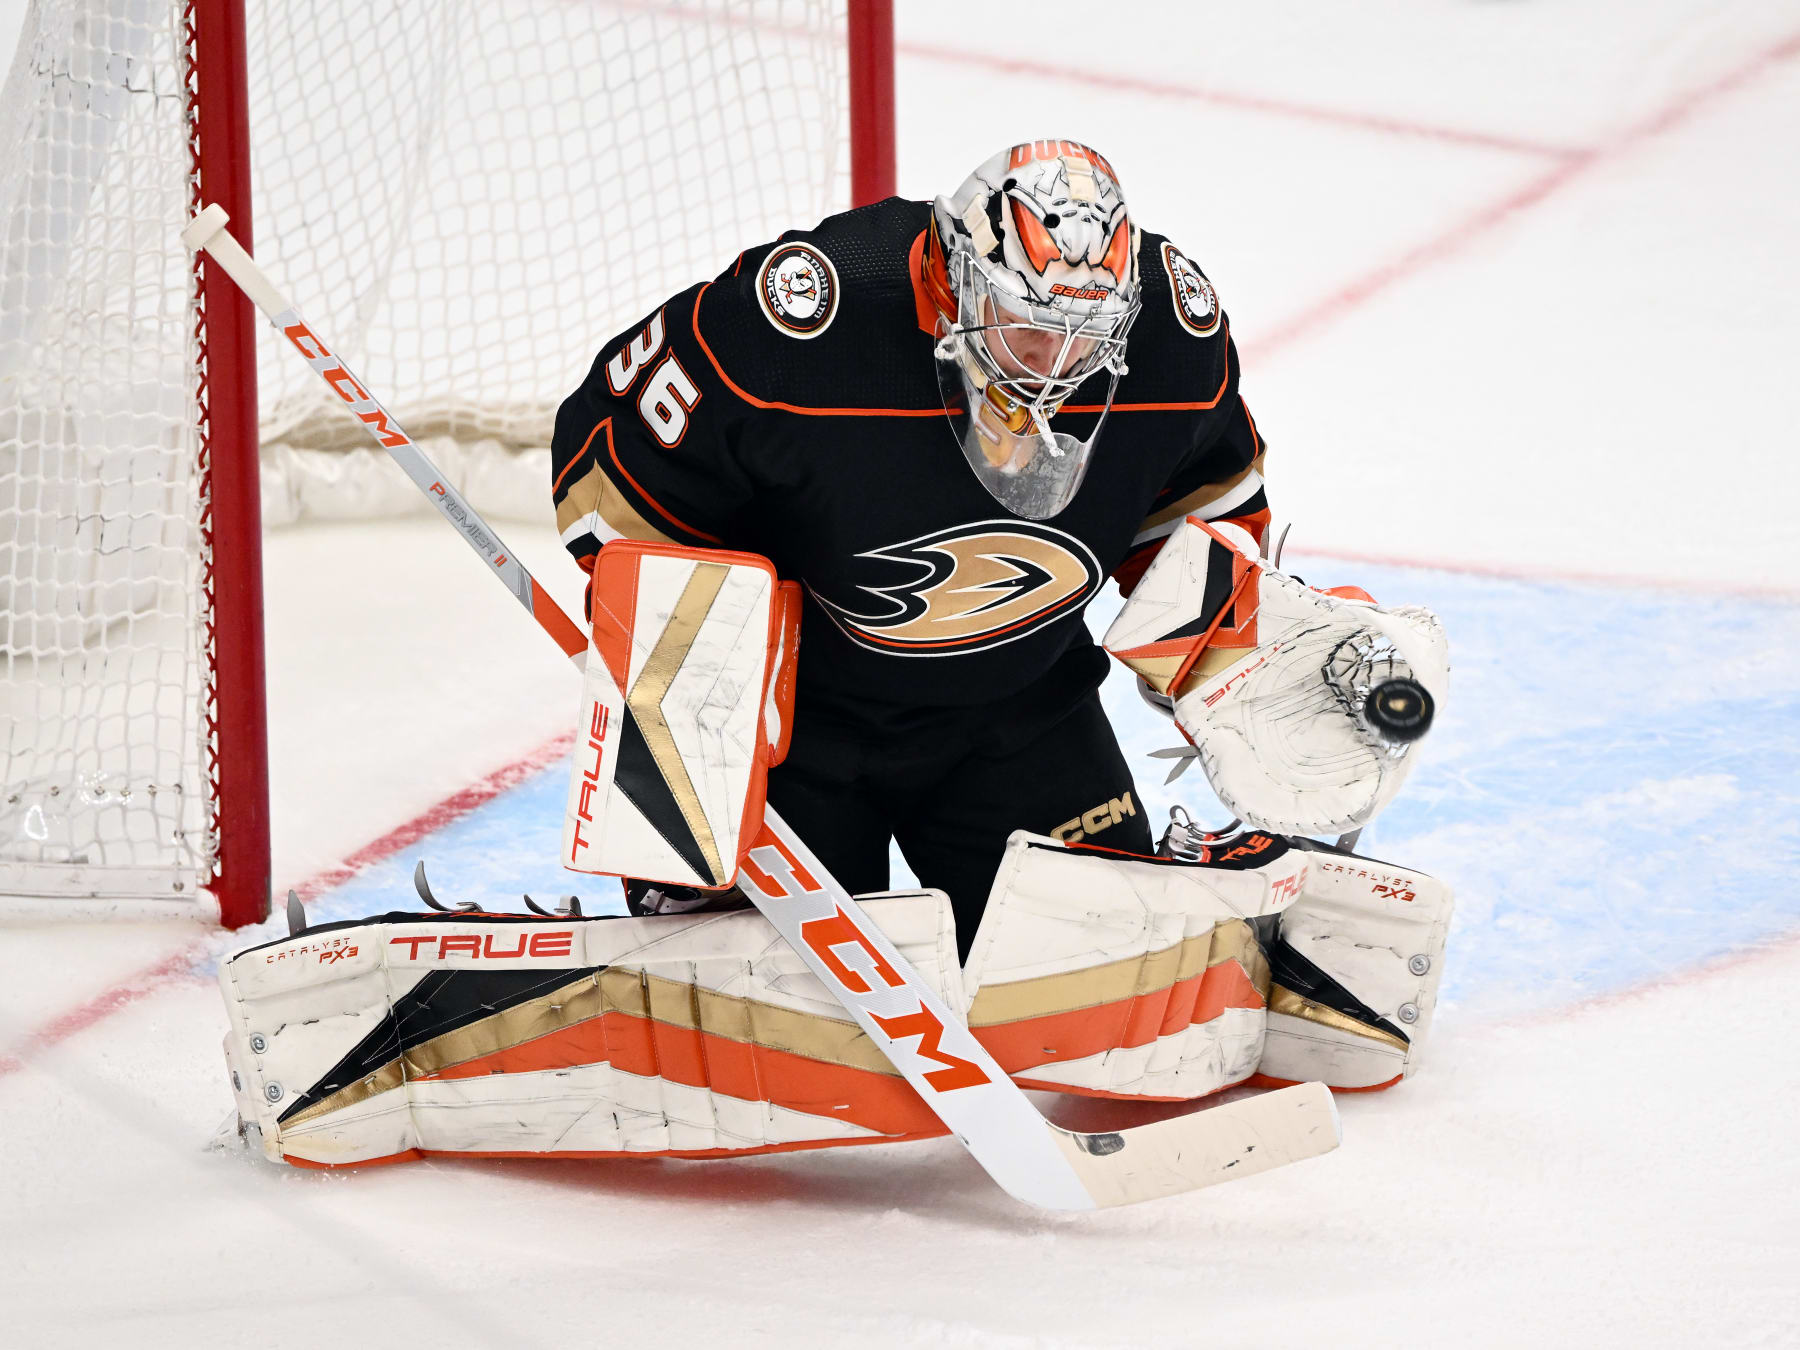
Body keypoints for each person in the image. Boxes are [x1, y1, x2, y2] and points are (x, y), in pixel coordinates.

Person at [550, 140, 1270, 951]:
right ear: (956, 279)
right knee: (749, 973)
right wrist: (686, 676)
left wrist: (1223, 663)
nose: (1058, 366)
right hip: (791, 725)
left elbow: (1205, 507)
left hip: (1021, 706)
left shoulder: (1173, 336)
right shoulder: (798, 326)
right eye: (1029, 326)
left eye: (1088, 333)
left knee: (1094, 959)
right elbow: (612, 472)